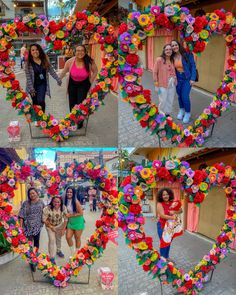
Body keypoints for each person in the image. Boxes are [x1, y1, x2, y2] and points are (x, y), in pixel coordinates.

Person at [59, 44, 98, 129]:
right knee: (72, 103)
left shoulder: (90, 61)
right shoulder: (69, 61)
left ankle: (80, 121)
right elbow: (64, 71)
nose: (80, 52)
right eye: (78, 50)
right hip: (72, 84)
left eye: (82, 50)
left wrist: (90, 81)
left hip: (84, 84)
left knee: (81, 103)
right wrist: (59, 79)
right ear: (74, 52)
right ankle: (73, 120)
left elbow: (95, 71)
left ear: (85, 52)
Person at [25, 43, 62, 116]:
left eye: (37, 49)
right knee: (35, 102)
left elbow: (51, 71)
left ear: (40, 50)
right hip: (32, 85)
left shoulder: (45, 60)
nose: (35, 51)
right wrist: (31, 89)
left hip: (42, 84)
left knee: (41, 101)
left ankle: (42, 117)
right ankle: (37, 117)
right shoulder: (28, 63)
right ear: (30, 52)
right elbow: (28, 77)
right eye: (33, 50)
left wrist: (58, 79)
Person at [18, 187, 44, 272]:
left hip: (37, 226)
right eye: (30, 194)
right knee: (29, 244)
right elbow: (21, 215)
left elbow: (45, 213)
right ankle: (31, 259)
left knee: (36, 243)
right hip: (27, 226)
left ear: (37, 193)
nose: (32, 195)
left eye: (33, 193)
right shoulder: (26, 203)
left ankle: (35, 257)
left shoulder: (41, 202)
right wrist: (21, 227)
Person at [171, 40, 197, 123]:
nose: (174, 47)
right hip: (178, 78)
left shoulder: (188, 54)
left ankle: (187, 113)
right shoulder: (172, 56)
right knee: (179, 96)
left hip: (187, 78)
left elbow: (193, 66)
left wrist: (193, 78)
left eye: (176, 45)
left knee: (185, 96)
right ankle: (181, 110)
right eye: (172, 46)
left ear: (179, 45)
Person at [156, 188, 182, 260]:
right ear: (161, 196)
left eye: (167, 194)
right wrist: (172, 217)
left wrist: (174, 212)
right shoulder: (159, 204)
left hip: (171, 227)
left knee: (169, 242)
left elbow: (180, 210)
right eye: (163, 195)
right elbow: (162, 215)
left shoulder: (172, 203)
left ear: (170, 195)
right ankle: (162, 260)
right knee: (164, 242)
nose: (165, 196)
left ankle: (166, 257)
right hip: (162, 226)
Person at [42, 196, 68, 264]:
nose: (56, 203)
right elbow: (44, 219)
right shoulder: (47, 208)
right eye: (55, 202)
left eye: (58, 202)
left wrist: (63, 229)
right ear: (52, 202)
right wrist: (51, 227)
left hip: (59, 225)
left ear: (61, 202)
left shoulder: (63, 207)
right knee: (52, 239)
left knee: (58, 239)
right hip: (49, 226)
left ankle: (58, 251)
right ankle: (51, 257)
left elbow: (66, 219)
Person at [153, 44, 177, 116]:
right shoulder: (159, 60)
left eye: (170, 49)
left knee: (170, 99)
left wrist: (175, 79)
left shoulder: (172, 60)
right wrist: (156, 84)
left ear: (172, 51)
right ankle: (161, 113)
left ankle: (167, 113)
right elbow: (155, 72)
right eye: (166, 49)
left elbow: (174, 71)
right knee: (163, 100)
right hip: (162, 84)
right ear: (164, 50)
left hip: (172, 84)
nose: (168, 51)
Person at [64, 187, 84, 255]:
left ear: (73, 193)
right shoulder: (66, 201)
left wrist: (71, 215)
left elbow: (81, 213)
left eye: (71, 192)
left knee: (77, 238)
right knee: (68, 237)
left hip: (78, 222)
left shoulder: (76, 201)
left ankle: (77, 253)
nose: (69, 193)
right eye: (68, 192)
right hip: (71, 222)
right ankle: (73, 253)